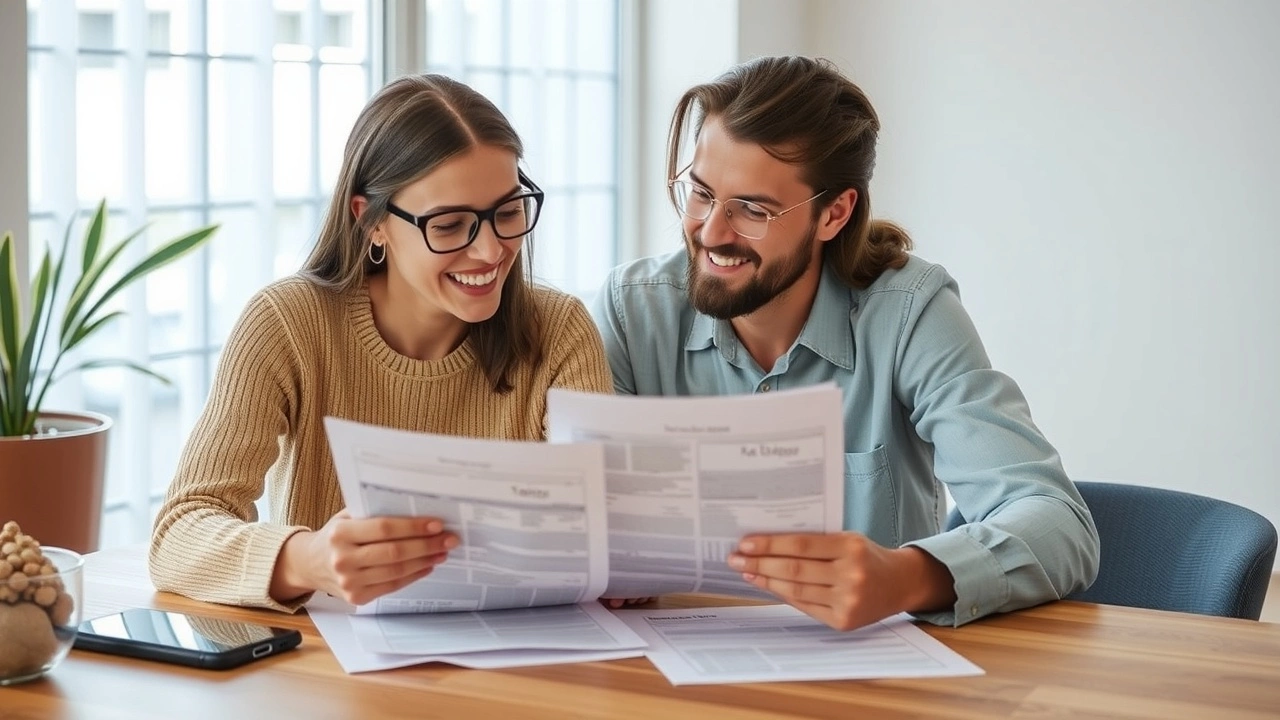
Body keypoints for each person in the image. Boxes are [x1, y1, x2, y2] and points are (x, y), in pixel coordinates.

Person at [591, 56, 1100, 631]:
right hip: (665, 664)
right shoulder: (632, 310)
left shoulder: (909, 313)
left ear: (834, 213)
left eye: (752, 209)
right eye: (702, 194)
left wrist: (906, 577)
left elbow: (1060, 523)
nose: (711, 232)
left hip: (868, 668)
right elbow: (585, 513)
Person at [150, 74, 614, 612]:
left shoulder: (558, 330)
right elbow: (179, 533)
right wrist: (308, 559)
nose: (491, 251)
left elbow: (607, 522)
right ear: (371, 221)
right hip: (329, 655)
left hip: (524, 647)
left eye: (508, 212)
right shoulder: (288, 324)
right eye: (450, 224)